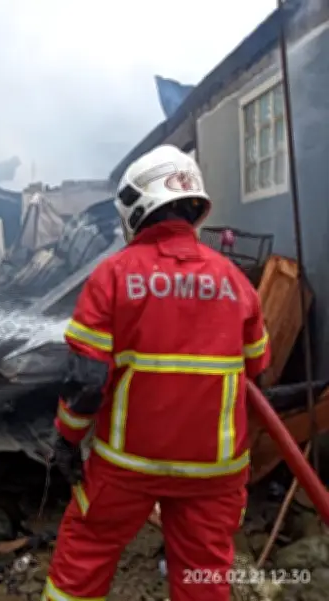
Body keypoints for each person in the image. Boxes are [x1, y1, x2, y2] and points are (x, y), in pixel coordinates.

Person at [43, 144, 271, 601]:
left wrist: (67, 442)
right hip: (216, 470)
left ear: (136, 205)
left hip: (129, 464)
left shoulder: (112, 276)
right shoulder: (237, 282)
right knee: (204, 577)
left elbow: (87, 384)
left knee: (85, 557)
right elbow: (257, 370)